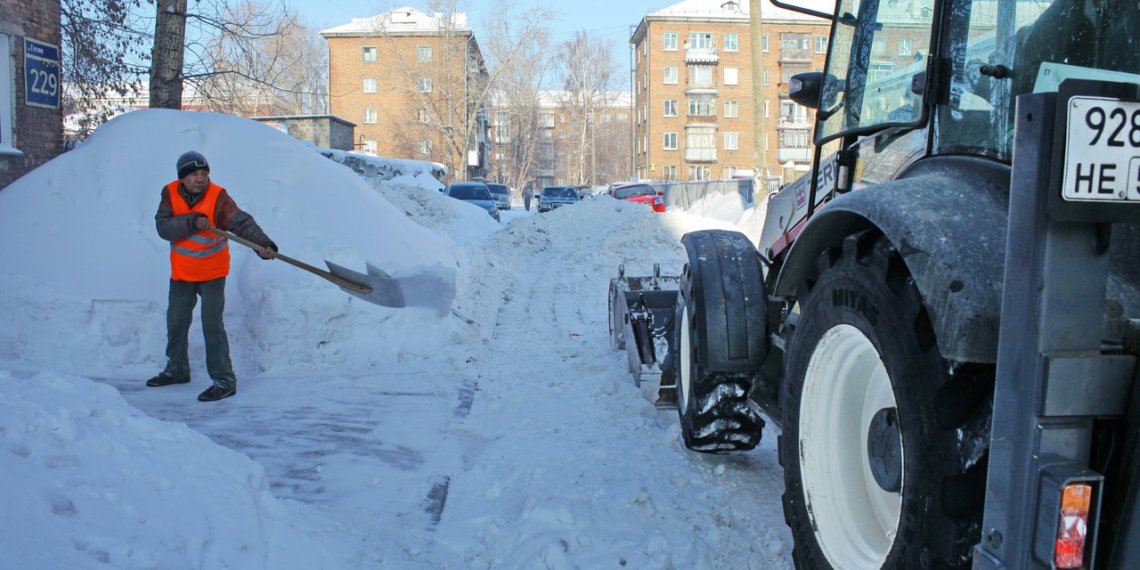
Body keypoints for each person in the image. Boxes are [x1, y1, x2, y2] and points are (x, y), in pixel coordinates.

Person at [147, 151, 277, 402]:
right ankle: (177, 369)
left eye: (204, 173)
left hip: (212, 272)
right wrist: (192, 221)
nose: (200, 179)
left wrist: (262, 244)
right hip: (183, 272)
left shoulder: (218, 197)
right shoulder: (170, 194)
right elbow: (163, 228)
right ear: (182, 178)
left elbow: (241, 223)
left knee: (212, 324)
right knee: (176, 321)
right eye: (194, 174)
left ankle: (224, 380)